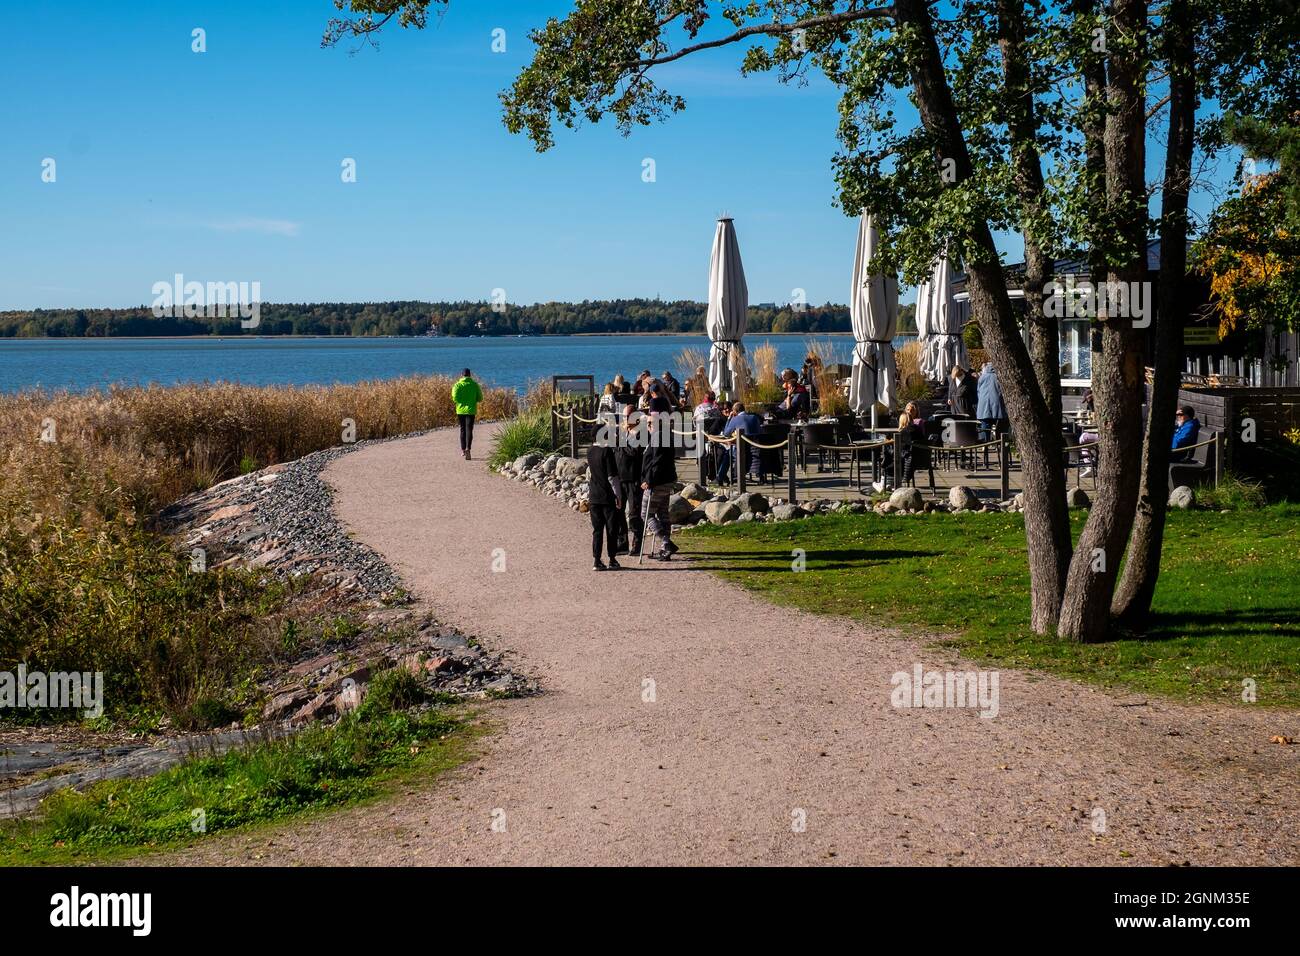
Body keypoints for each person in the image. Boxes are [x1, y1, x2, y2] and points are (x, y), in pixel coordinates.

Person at [640, 423, 678, 560]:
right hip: (667, 480)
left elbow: (657, 461)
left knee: (646, 514)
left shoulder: (659, 436)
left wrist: (649, 480)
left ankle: (666, 543)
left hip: (657, 482)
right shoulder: (665, 435)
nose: (648, 426)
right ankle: (664, 549)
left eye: (650, 423)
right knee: (662, 514)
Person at [586, 432, 623, 571]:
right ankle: (612, 559)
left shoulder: (590, 451)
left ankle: (596, 560)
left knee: (597, 530)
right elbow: (612, 476)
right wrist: (618, 496)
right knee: (611, 529)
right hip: (607, 497)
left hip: (594, 496)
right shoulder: (606, 451)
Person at [616, 415, 645, 556]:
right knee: (619, 511)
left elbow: (635, 452)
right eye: (624, 416)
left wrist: (623, 443)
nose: (625, 419)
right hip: (620, 478)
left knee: (634, 513)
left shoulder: (641, 434)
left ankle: (637, 544)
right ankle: (622, 543)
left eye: (628, 416)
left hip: (634, 479)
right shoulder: (622, 433)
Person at [720, 401, 763, 484]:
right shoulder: (754, 417)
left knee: (728, 454)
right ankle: (759, 475)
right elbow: (759, 431)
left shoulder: (735, 419)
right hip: (756, 449)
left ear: (735, 411)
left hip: (741, 450)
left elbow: (726, 433)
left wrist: (729, 419)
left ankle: (722, 477)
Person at [451, 368, 483, 460]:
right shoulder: (474, 385)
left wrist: (461, 401)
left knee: (462, 430)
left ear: (462, 375)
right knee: (469, 429)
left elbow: (454, 398)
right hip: (471, 410)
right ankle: (468, 448)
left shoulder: (457, 385)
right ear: (470, 375)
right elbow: (480, 398)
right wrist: (472, 400)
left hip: (460, 410)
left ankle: (463, 450)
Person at [975, 361, 1007, 441]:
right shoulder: (999, 376)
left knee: (985, 426)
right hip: (998, 406)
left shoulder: (982, 377)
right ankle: (1000, 444)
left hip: (983, 406)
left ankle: (986, 445)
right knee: (1001, 427)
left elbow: (978, 392)